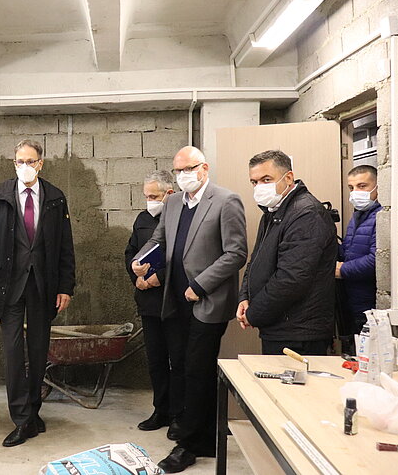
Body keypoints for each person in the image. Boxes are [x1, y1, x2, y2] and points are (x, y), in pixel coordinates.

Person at [132, 146, 247, 473]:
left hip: (208, 301)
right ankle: (206, 436)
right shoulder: (172, 203)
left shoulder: (226, 201)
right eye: (178, 170)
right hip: (175, 301)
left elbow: (236, 253)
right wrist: (140, 260)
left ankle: (187, 445)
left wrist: (201, 284)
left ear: (204, 168)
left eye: (189, 168)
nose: (183, 175)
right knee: (185, 367)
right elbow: (159, 240)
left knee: (197, 369)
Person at [0, 139, 75, 447]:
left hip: (43, 285)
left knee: (39, 351)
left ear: (40, 164)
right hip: (8, 285)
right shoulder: (0, 196)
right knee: (14, 353)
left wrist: (65, 287)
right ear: (14, 163)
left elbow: (65, 247)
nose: (25, 166)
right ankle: (21, 419)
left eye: (30, 161)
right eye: (20, 161)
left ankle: (33, 411)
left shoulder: (55, 198)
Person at [236, 150, 337, 357]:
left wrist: (254, 313)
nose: (259, 187)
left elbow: (292, 278)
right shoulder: (272, 212)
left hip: (300, 331)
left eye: (266, 179)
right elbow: (256, 260)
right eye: (254, 182)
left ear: (288, 178)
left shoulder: (306, 213)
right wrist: (245, 297)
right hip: (279, 325)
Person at [124, 170, 182, 439]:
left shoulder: (182, 219)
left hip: (174, 301)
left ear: (169, 193)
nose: (149, 201)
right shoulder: (142, 220)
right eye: (146, 196)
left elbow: (186, 258)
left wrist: (160, 277)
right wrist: (135, 273)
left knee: (178, 361)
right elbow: (130, 251)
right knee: (156, 360)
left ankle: (179, 414)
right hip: (148, 302)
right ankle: (161, 410)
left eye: (154, 196)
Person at [337, 165, 380, 336]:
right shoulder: (358, 216)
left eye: (362, 186)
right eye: (351, 188)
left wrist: (342, 270)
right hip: (353, 300)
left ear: (378, 187)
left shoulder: (381, 217)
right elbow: (349, 252)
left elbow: (377, 260)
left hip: (369, 303)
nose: (355, 192)